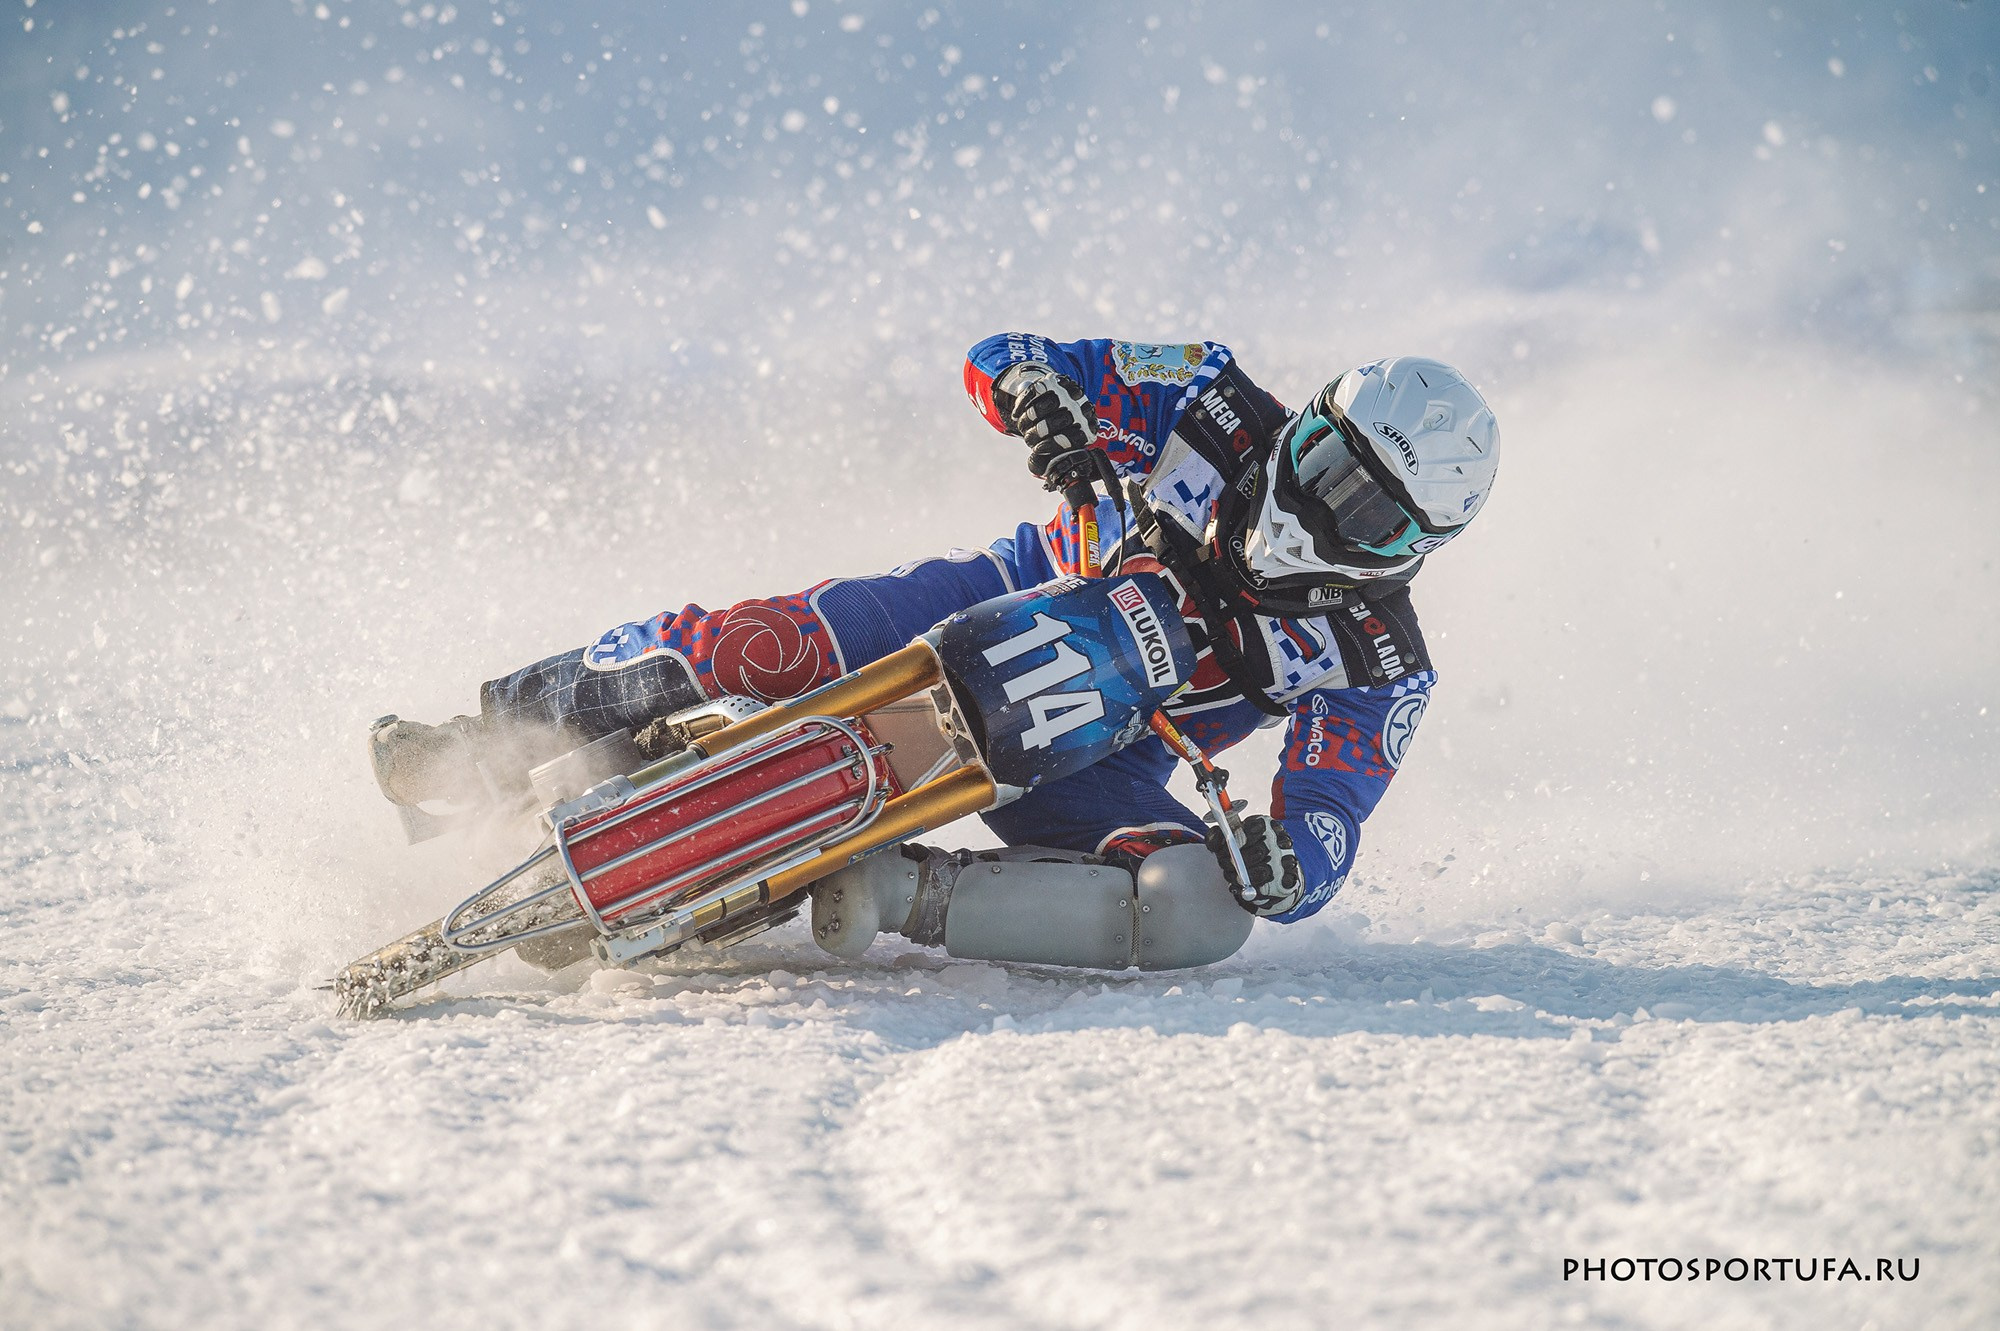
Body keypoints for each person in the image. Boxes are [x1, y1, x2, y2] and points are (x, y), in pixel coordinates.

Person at [370, 335, 1500, 972]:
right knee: (767, 641)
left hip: (1103, 759)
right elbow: (1009, 354)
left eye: (1366, 513)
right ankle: (483, 738)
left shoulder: (1380, 658)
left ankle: (889, 888)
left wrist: (1283, 865)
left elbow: (1330, 818)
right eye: (1322, 459)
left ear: (1413, 548)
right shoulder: (1208, 397)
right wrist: (1041, 404)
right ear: (1305, 420)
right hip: (998, 591)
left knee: (1202, 907)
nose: (1318, 505)